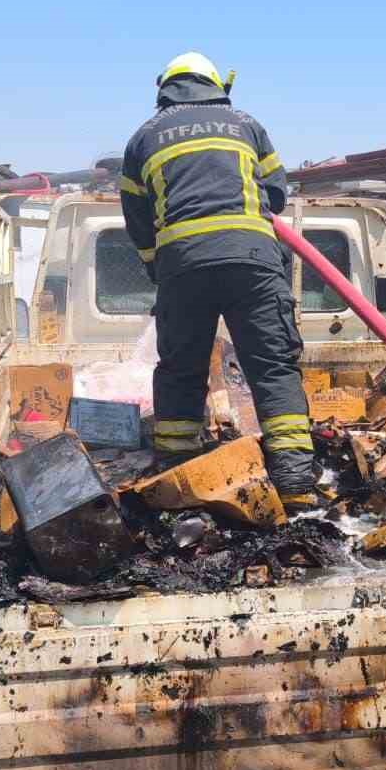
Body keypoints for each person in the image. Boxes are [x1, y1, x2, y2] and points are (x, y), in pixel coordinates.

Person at [119, 52, 317, 506]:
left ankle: (177, 479)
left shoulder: (143, 137)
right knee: (271, 367)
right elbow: (277, 193)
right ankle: (295, 485)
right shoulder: (247, 124)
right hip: (253, 260)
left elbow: (137, 217)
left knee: (180, 370)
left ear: (164, 88)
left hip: (182, 266)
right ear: (216, 85)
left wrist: (159, 266)